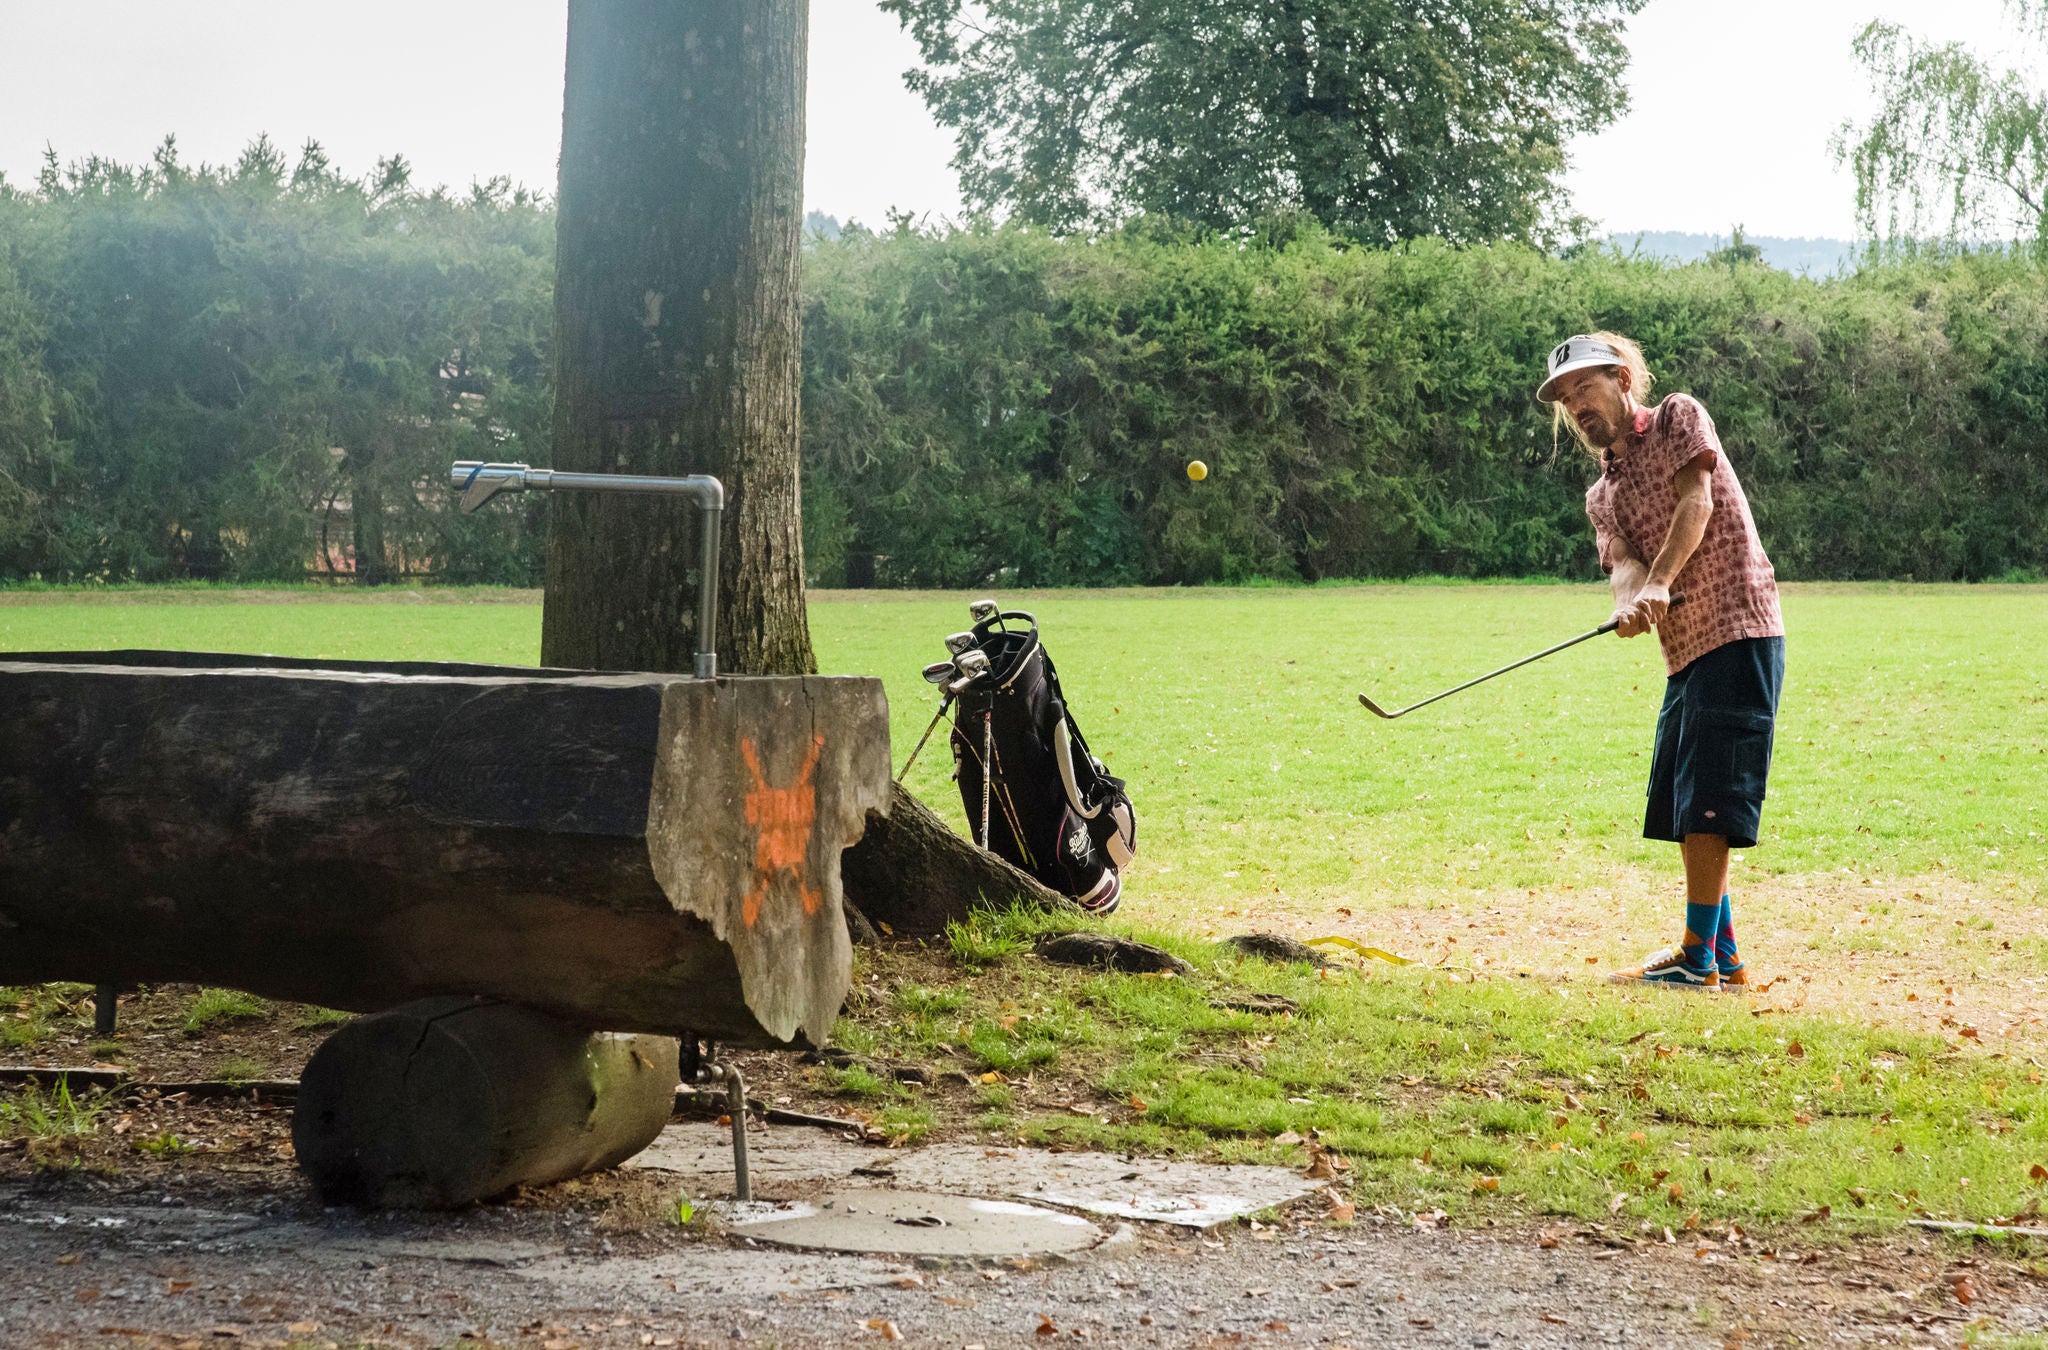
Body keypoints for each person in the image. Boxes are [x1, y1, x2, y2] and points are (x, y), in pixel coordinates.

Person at [1538, 333, 1785, 992]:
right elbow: (1623, 564)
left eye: (1585, 387)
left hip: (1738, 626)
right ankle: (1723, 954)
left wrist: (1660, 583)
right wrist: (1629, 600)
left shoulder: (1678, 416)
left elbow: (1695, 500)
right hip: (1685, 655)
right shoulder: (1602, 495)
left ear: (1622, 378)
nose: (1577, 406)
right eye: (1566, 399)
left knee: (1710, 803)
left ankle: (1695, 957)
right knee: (1687, 806)